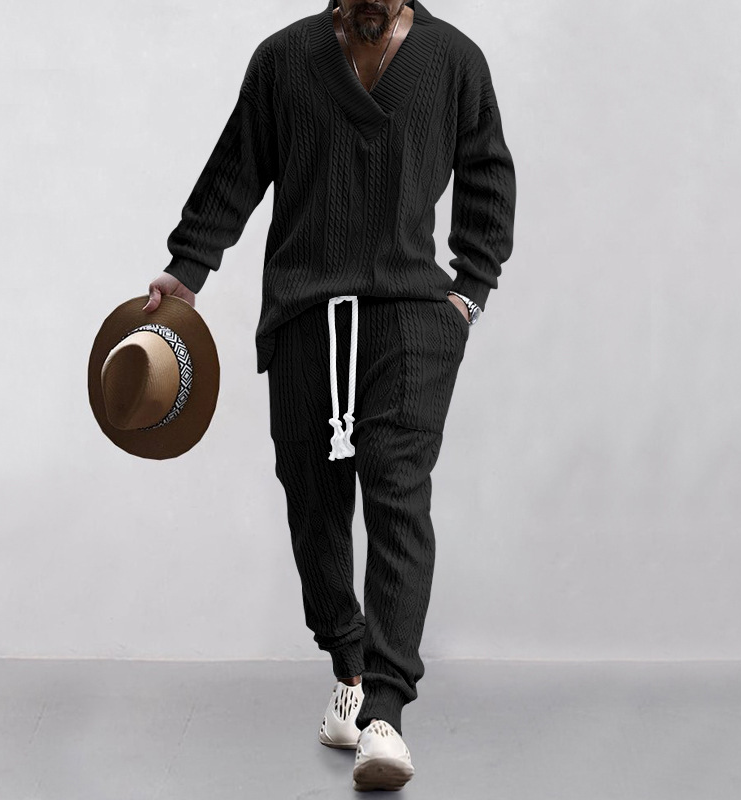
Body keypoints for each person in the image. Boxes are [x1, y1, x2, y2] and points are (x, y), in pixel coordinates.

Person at [144, 0, 516, 790]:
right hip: (304, 314)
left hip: (411, 317)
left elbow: (489, 175)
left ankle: (386, 713)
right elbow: (237, 168)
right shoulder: (282, 59)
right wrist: (187, 269)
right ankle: (349, 668)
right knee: (312, 499)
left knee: (397, 493)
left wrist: (469, 292)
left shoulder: (455, 61)